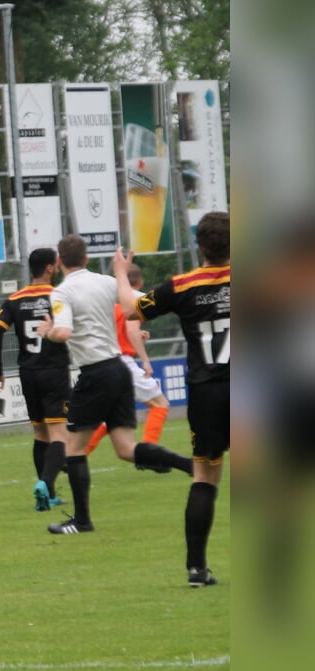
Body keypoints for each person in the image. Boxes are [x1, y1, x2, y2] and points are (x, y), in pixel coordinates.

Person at [35, 234, 188, 535]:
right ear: (87, 258)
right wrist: (120, 275)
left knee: (72, 448)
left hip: (95, 372)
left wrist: (47, 330)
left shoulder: (62, 292)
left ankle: (81, 521)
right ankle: (191, 466)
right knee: (125, 448)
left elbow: (63, 333)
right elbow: (134, 306)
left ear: (59, 262)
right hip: (119, 368)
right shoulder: (105, 282)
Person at [115, 211, 230, 586]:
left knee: (205, 475)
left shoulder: (182, 285)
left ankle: (196, 569)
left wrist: (120, 272)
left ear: (200, 247)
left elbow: (132, 309)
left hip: (207, 392)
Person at [0, 247, 71, 511]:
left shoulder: (15, 298)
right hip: (54, 371)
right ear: (49, 268)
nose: (57, 268)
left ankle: (47, 496)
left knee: (40, 432)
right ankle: (46, 485)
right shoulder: (58, 296)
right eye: (55, 265)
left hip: (29, 373)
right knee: (60, 433)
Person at [83, 263, 183, 463]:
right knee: (160, 404)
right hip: (123, 363)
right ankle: (149, 454)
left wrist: (137, 335)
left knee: (109, 415)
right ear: (141, 283)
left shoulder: (110, 303)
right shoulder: (133, 302)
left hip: (104, 361)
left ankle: (75, 456)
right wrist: (145, 360)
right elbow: (130, 330)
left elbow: (119, 333)